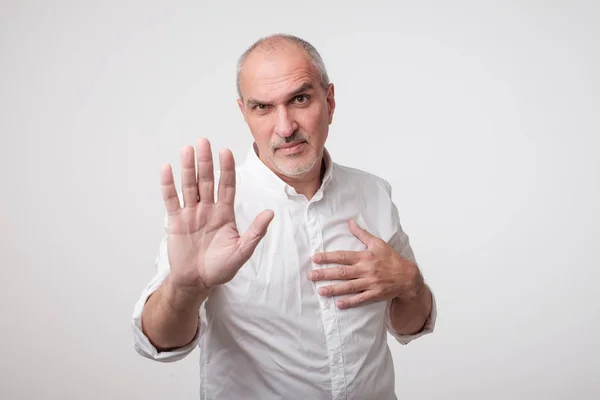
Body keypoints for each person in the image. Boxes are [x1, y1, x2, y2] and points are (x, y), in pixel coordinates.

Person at [131, 33, 437, 400]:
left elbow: (409, 327)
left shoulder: (374, 193)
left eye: (300, 99)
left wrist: (410, 284)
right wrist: (186, 287)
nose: (285, 127)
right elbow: (160, 343)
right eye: (262, 107)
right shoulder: (214, 214)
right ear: (244, 113)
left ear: (330, 100)